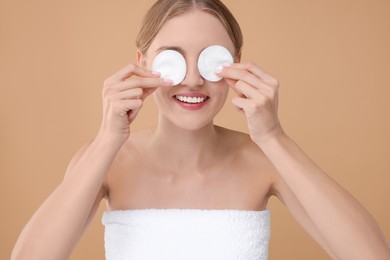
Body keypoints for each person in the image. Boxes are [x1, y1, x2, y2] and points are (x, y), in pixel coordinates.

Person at [11, 0, 390, 259]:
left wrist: (273, 136)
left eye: (211, 59)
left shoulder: (264, 161)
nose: (192, 79)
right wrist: (108, 139)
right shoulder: (106, 161)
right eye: (174, 58)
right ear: (142, 62)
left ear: (237, 63)